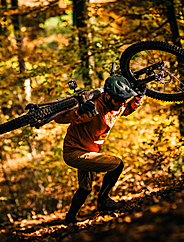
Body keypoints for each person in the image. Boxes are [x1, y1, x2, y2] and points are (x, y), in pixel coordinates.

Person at [54, 74, 146, 225]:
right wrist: (78, 111)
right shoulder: (93, 107)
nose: (121, 103)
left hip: (90, 152)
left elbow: (127, 109)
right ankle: (103, 200)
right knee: (117, 164)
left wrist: (137, 99)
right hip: (74, 153)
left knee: (85, 188)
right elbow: (60, 118)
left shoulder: (118, 104)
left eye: (123, 99)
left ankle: (69, 219)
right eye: (118, 100)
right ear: (107, 95)